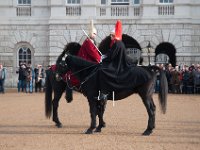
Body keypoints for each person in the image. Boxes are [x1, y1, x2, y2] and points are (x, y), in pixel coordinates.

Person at [97, 20, 150, 100]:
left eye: (112, 35)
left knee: (102, 71)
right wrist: (106, 56)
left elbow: (111, 55)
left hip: (117, 65)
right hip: (118, 63)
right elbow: (112, 53)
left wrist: (103, 57)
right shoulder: (118, 43)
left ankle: (104, 93)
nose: (110, 37)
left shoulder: (117, 43)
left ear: (114, 35)